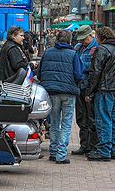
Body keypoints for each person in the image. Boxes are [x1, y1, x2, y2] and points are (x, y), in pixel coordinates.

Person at [37, 30, 85, 164]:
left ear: (57, 39)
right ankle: (61, 155)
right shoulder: (73, 54)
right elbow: (79, 74)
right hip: (68, 93)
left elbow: (40, 73)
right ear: (70, 41)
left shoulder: (47, 52)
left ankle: (53, 152)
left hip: (51, 92)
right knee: (66, 124)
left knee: (54, 123)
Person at [85, 27, 115, 161]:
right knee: (112, 119)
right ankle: (112, 148)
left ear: (101, 37)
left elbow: (95, 72)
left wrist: (89, 91)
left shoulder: (102, 49)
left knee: (103, 120)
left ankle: (104, 150)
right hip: (113, 88)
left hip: (104, 88)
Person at [71, 25, 99, 156]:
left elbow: (95, 68)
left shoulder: (97, 47)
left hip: (90, 88)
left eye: (84, 39)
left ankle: (93, 146)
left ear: (90, 36)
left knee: (92, 117)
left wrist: (81, 68)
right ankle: (84, 145)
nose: (82, 42)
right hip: (79, 87)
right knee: (81, 117)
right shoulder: (77, 47)